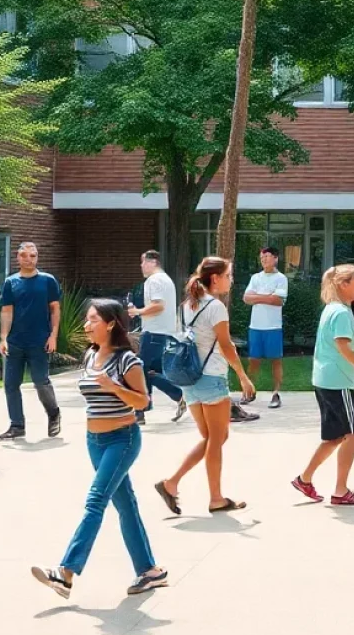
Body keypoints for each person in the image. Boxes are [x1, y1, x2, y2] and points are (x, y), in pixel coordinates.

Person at [31, 299, 167, 599]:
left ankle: (65, 573)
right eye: (87, 319)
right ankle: (150, 571)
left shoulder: (127, 361)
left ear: (110, 324)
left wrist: (114, 387)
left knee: (95, 502)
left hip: (123, 440)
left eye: (93, 319)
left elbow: (144, 401)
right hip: (95, 442)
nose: (86, 325)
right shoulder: (91, 355)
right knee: (126, 506)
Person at [154, 257, 255, 516]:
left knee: (212, 438)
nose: (230, 280)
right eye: (228, 275)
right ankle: (214, 498)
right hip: (211, 377)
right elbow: (226, 345)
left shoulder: (189, 304)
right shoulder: (216, 307)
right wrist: (243, 376)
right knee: (217, 438)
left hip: (189, 379)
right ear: (215, 278)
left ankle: (172, 483)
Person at [292, 264, 354, 505]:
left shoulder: (333, 309)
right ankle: (341, 491)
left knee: (335, 437)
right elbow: (343, 346)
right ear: (343, 285)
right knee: (353, 432)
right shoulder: (341, 313)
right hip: (338, 382)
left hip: (326, 381)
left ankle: (305, 479)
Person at [0, 241, 62, 441]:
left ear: (37, 257)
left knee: (41, 382)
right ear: (18, 258)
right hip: (15, 342)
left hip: (39, 341)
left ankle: (53, 414)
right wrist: (3, 338)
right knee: (10, 384)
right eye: (25, 256)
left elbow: (55, 309)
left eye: (33, 256)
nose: (29, 259)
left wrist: (53, 335)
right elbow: (7, 311)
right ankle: (17, 425)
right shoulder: (10, 282)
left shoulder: (48, 281)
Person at [127, 250, 186, 424]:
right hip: (162, 332)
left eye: (143, 262)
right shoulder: (166, 280)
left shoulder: (154, 280)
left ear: (153, 262)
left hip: (153, 332)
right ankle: (177, 397)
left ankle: (141, 411)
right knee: (150, 372)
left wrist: (137, 312)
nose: (141, 266)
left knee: (140, 370)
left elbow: (158, 306)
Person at [241, 246, 289, 410]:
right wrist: (267, 297)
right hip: (255, 326)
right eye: (262, 258)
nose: (264, 260)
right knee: (253, 360)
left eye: (267, 257)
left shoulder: (281, 278)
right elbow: (246, 298)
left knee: (276, 361)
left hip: (273, 327)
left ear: (276, 258)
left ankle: (276, 394)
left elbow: (278, 301)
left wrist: (258, 298)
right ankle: (249, 392)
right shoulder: (255, 278)